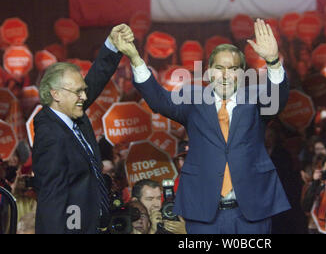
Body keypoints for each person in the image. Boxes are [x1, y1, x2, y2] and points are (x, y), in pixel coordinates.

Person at [123, 18, 290, 234]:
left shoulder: (256, 100)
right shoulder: (192, 101)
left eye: (233, 69)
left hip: (251, 211)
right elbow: (158, 100)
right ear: (209, 71)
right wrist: (136, 58)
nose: (225, 74)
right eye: (219, 68)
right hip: (204, 212)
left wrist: (273, 61)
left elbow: (278, 100)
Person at [32, 24, 134, 234]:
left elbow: (94, 81)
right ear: (56, 94)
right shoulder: (51, 134)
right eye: (78, 92)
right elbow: (52, 199)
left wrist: (112, 46)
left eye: (83, 91)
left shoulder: (70, 116)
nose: (85, 98)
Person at [301, 155, 326, 234]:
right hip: (316, 229)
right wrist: (315, 183)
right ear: (322, 170)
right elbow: (306, 207)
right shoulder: (316, 185)